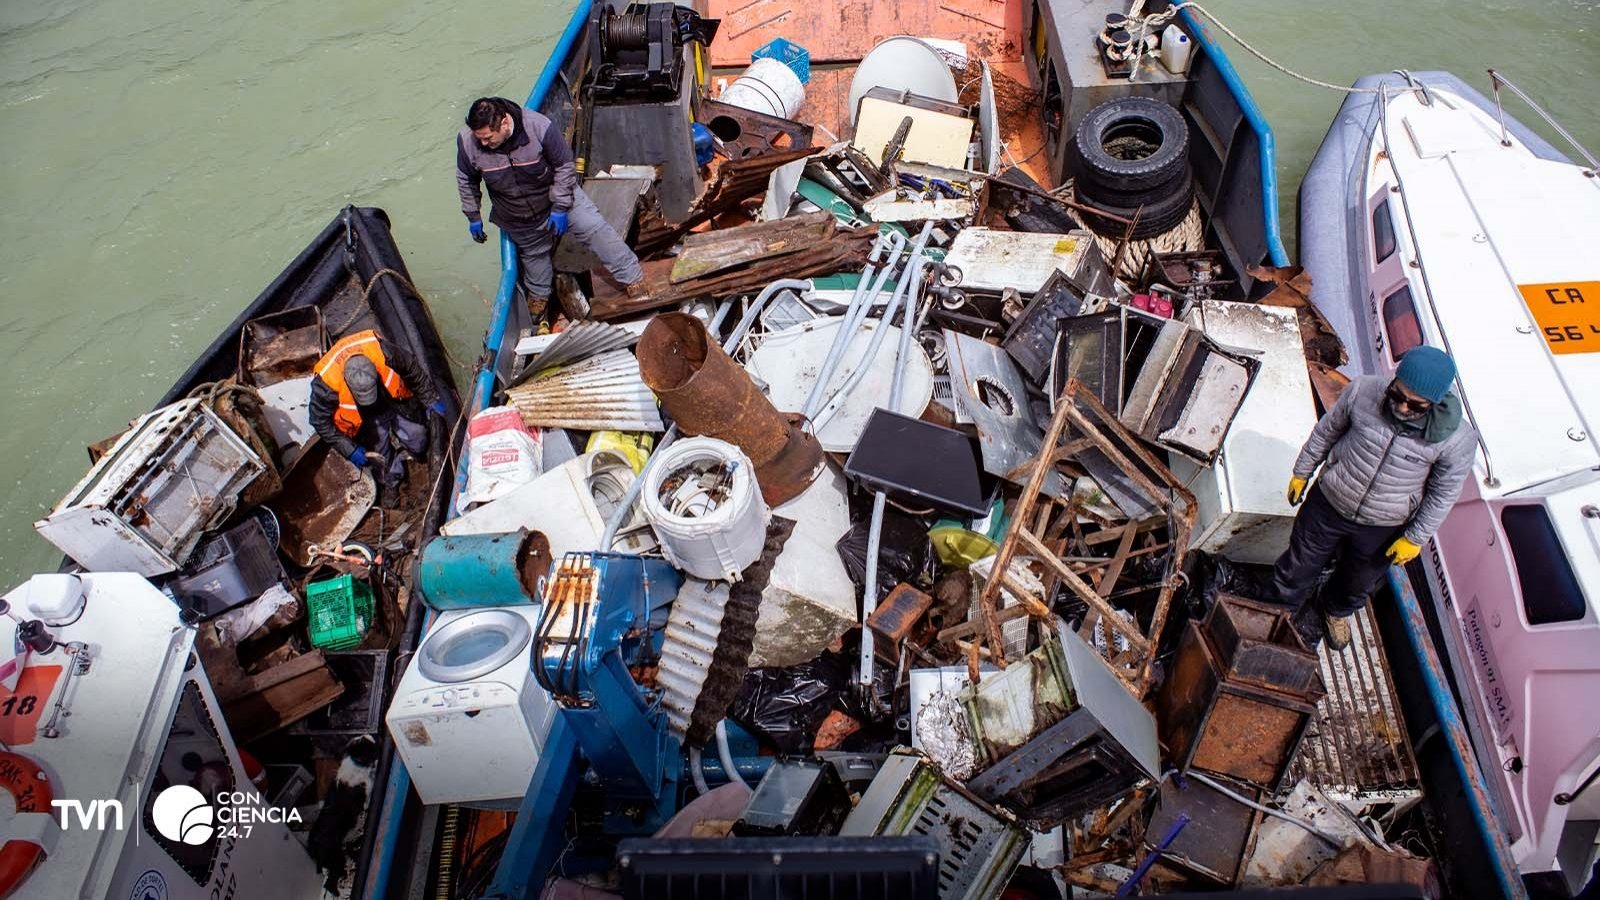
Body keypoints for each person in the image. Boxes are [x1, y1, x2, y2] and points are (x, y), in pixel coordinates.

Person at [1273, 346, 1476, 649]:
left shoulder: (1457, 440)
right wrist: (1303, 470)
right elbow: (1327, 431)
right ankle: (1276, 611)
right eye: (1398, 396)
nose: (1403, 409)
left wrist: (1415, 537)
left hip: (1382, 525)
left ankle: (1334, 611)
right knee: (1298, 564)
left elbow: (1443, 493)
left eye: (1416, 406)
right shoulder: (1363, 391)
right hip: (1330, 501)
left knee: (1357, 583)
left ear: (1434, 404)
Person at [455, 96, 647, 321]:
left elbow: (565, 167)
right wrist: (472, 215)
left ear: (504, 123)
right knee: (534, 256)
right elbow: (466, 178)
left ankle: (632, 277)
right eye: (480, 139)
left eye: (488, 138)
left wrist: (560, 207)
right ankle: (539, 297)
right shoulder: (468, 141)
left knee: (594, 228)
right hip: (517, 213)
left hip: (557, 197)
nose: (484, 144)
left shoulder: (538, 127)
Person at [309, 329, 445, 492]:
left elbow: (413, 369)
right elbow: (319, 421)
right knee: (381, 458)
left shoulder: (385, 353)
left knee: (418, 436)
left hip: (393, 402)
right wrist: (349, 449)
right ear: (347, 383)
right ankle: (393, 482)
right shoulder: (325, 385)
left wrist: (430, 399)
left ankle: (419, 454)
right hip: (365, 420)